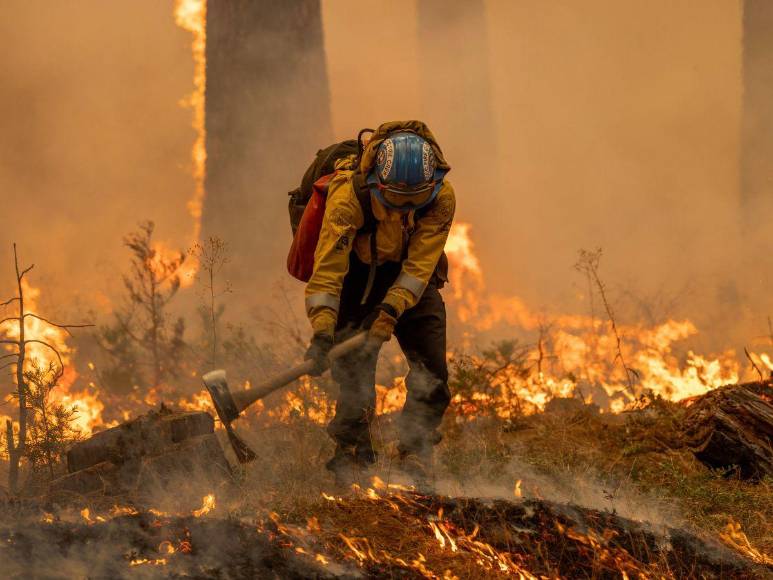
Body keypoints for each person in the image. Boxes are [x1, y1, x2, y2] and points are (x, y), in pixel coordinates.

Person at [303, 121, 456, 486]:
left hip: (411, 278)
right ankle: (353, 456)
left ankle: (416, 453)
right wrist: (323, 331)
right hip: (357, 277)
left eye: (415, 200)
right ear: (376, 182)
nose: (405, 210)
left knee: (433, 371)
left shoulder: (442, 197)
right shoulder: (348, 197)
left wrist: (390, 310)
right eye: (396, 200)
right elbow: (327, 271)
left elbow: (420, 267)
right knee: (354, 377)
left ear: (432, 184)